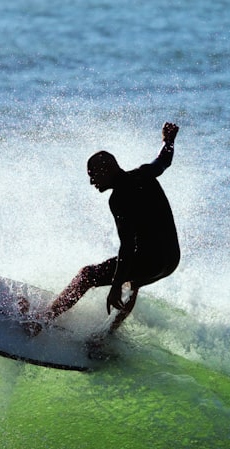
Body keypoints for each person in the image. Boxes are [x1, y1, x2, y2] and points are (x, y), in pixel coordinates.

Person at [33, 121, 181, 337]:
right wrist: (168, 141)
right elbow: (163, 161)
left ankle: (39, 322)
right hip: (170, 261)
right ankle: (106, 337)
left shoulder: (119, 199)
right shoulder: (144, 174)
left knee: (87, 275)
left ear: (107, 169)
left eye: (93, 174)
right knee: (134, 282)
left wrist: (115, 286)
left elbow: (128, 247)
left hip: (152, 260)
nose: (92, 181)